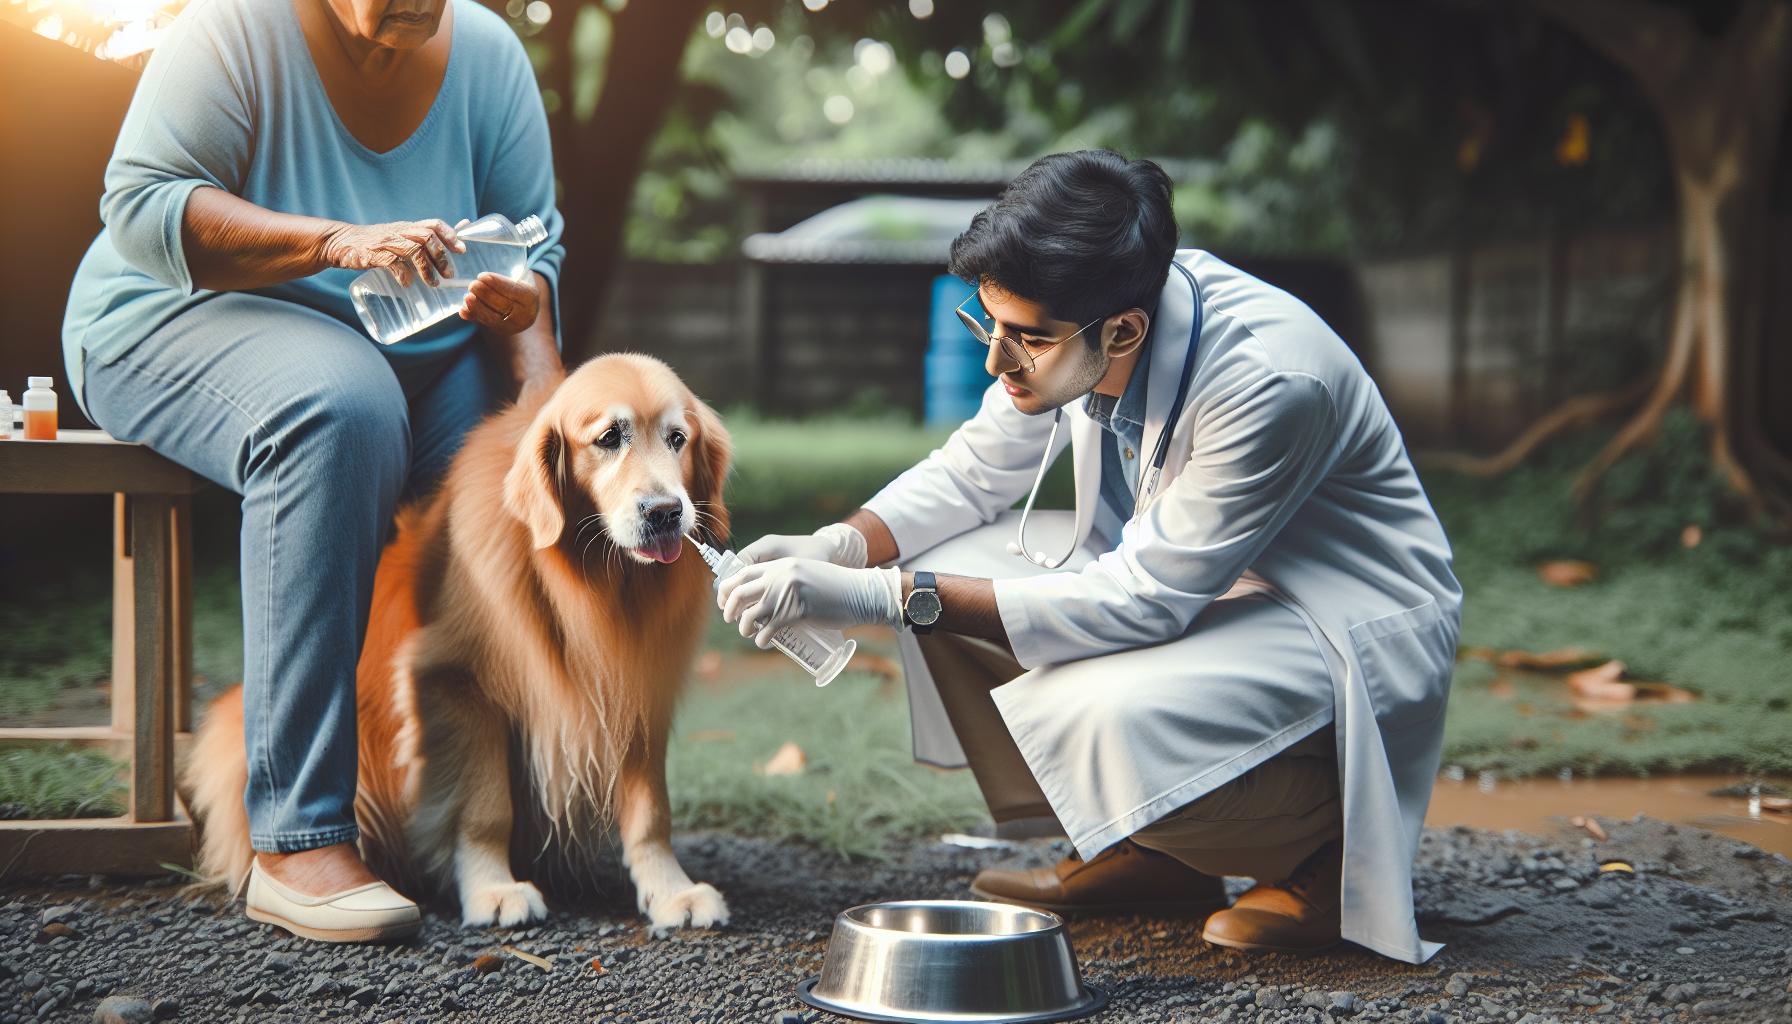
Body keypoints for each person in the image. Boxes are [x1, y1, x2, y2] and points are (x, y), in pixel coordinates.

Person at [719, 151, 1461, 962]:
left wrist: (876, 596)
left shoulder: (1268, 380)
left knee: (1105, 711)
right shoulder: (1082, 322)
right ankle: (1144, 853)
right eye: (988, 324)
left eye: (1023, 339)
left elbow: (1143, 602)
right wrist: (840, 545)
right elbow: (975, 470)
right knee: (958, 565)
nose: (997, 360)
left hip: (1329, 618)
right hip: (1203, 587)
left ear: (1125, 331)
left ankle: (1330, 856)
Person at [61, 0, 565, 941]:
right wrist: (334, 241)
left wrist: (543, 402)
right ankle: (297, 838)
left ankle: (477, 818)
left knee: (507, 455)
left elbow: (536, 254)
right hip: (168, 319)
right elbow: (146, 207)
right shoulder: (231, 30)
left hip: (416, 343)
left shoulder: (490, 55)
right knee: (341, 406)